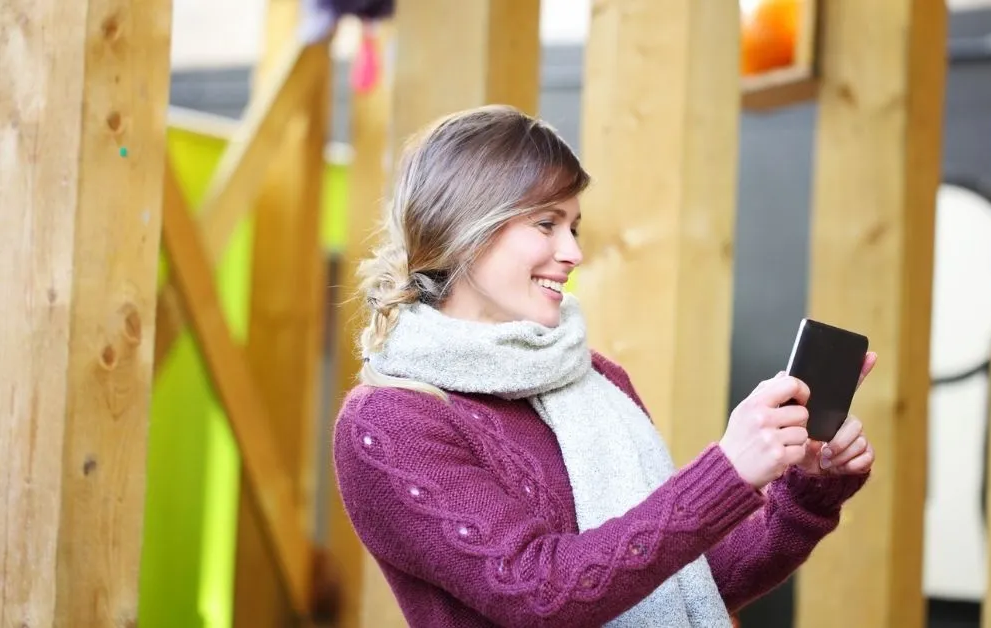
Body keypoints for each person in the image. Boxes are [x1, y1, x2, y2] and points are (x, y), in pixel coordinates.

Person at [332, 104, 876, 628]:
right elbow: (541, 593)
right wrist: (727, 471)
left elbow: (683, 587)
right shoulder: (390, 423)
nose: (573, 253)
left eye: (574, 227)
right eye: (547, 224)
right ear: (464, 227)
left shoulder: (595, 377)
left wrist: (804, 490)